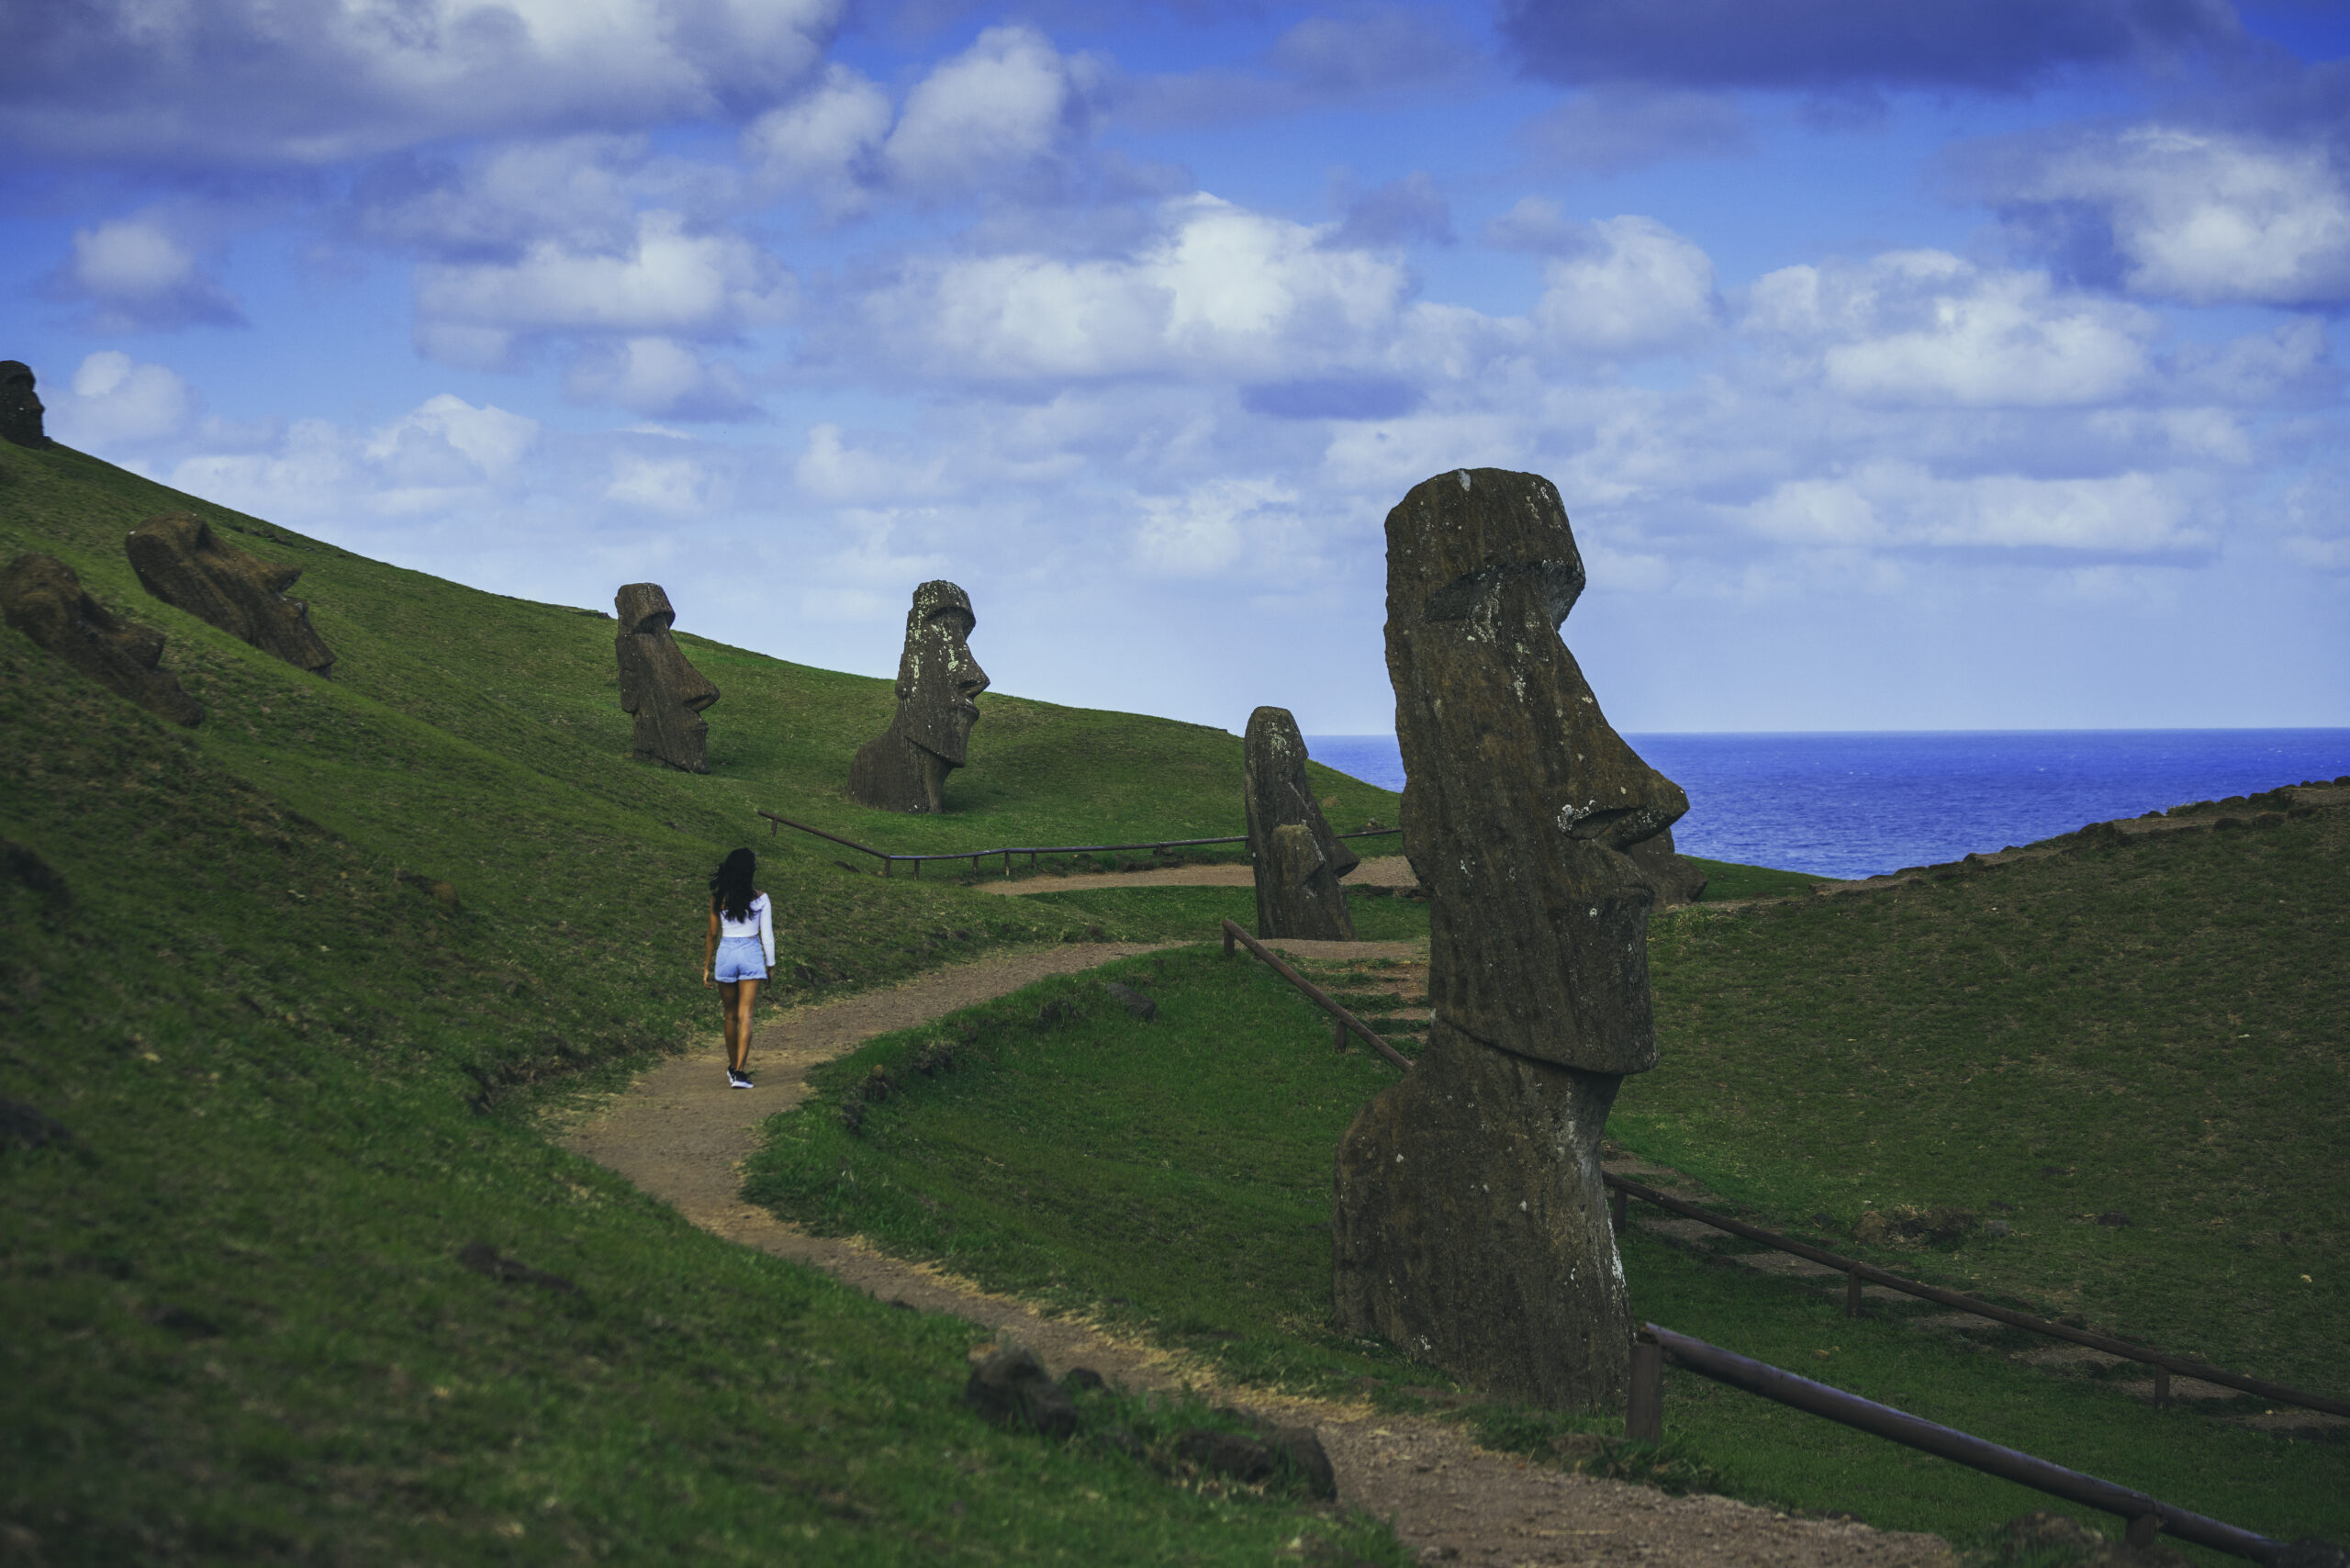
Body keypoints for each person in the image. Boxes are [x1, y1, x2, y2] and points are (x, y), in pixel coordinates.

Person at [703, 847, 774, 1088]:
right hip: (751, 953)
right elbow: (767, 936)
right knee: (746, 1016)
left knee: (730, 1015)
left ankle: (733, 1068)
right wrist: (771, 964)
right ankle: (740, 1072)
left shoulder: (718, 898)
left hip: (726, 954)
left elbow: (712, 934)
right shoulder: (761, 898)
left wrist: (706, 967)